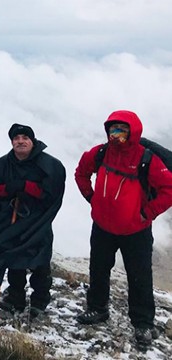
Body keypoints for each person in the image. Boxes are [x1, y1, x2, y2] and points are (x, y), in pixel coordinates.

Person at [74, 110, 172, 347]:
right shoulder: (100, 153)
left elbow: (169, 189)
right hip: (102, 226)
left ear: (133, 132)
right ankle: (97, 309)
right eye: (113, 130)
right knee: (98, 269)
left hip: (135, 231)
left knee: (139, 277)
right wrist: (92, 199)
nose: (117, 135)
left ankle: (143, 324)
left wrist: (145, 213)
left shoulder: (146, 158)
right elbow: (81, 173)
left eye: (122, 130)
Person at [0, 124, 66, 318]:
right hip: (13, 218)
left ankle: (39, 301)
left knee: (40, 261)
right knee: (15, 258)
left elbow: (51, 192)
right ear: (12, 142)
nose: (20, 141)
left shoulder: (49, 164)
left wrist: (27, 187)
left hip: (38, 221)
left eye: (25, 138)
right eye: (16, 138)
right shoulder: (3, 164)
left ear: (32, 141)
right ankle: (16, 298)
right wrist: (10, 189)